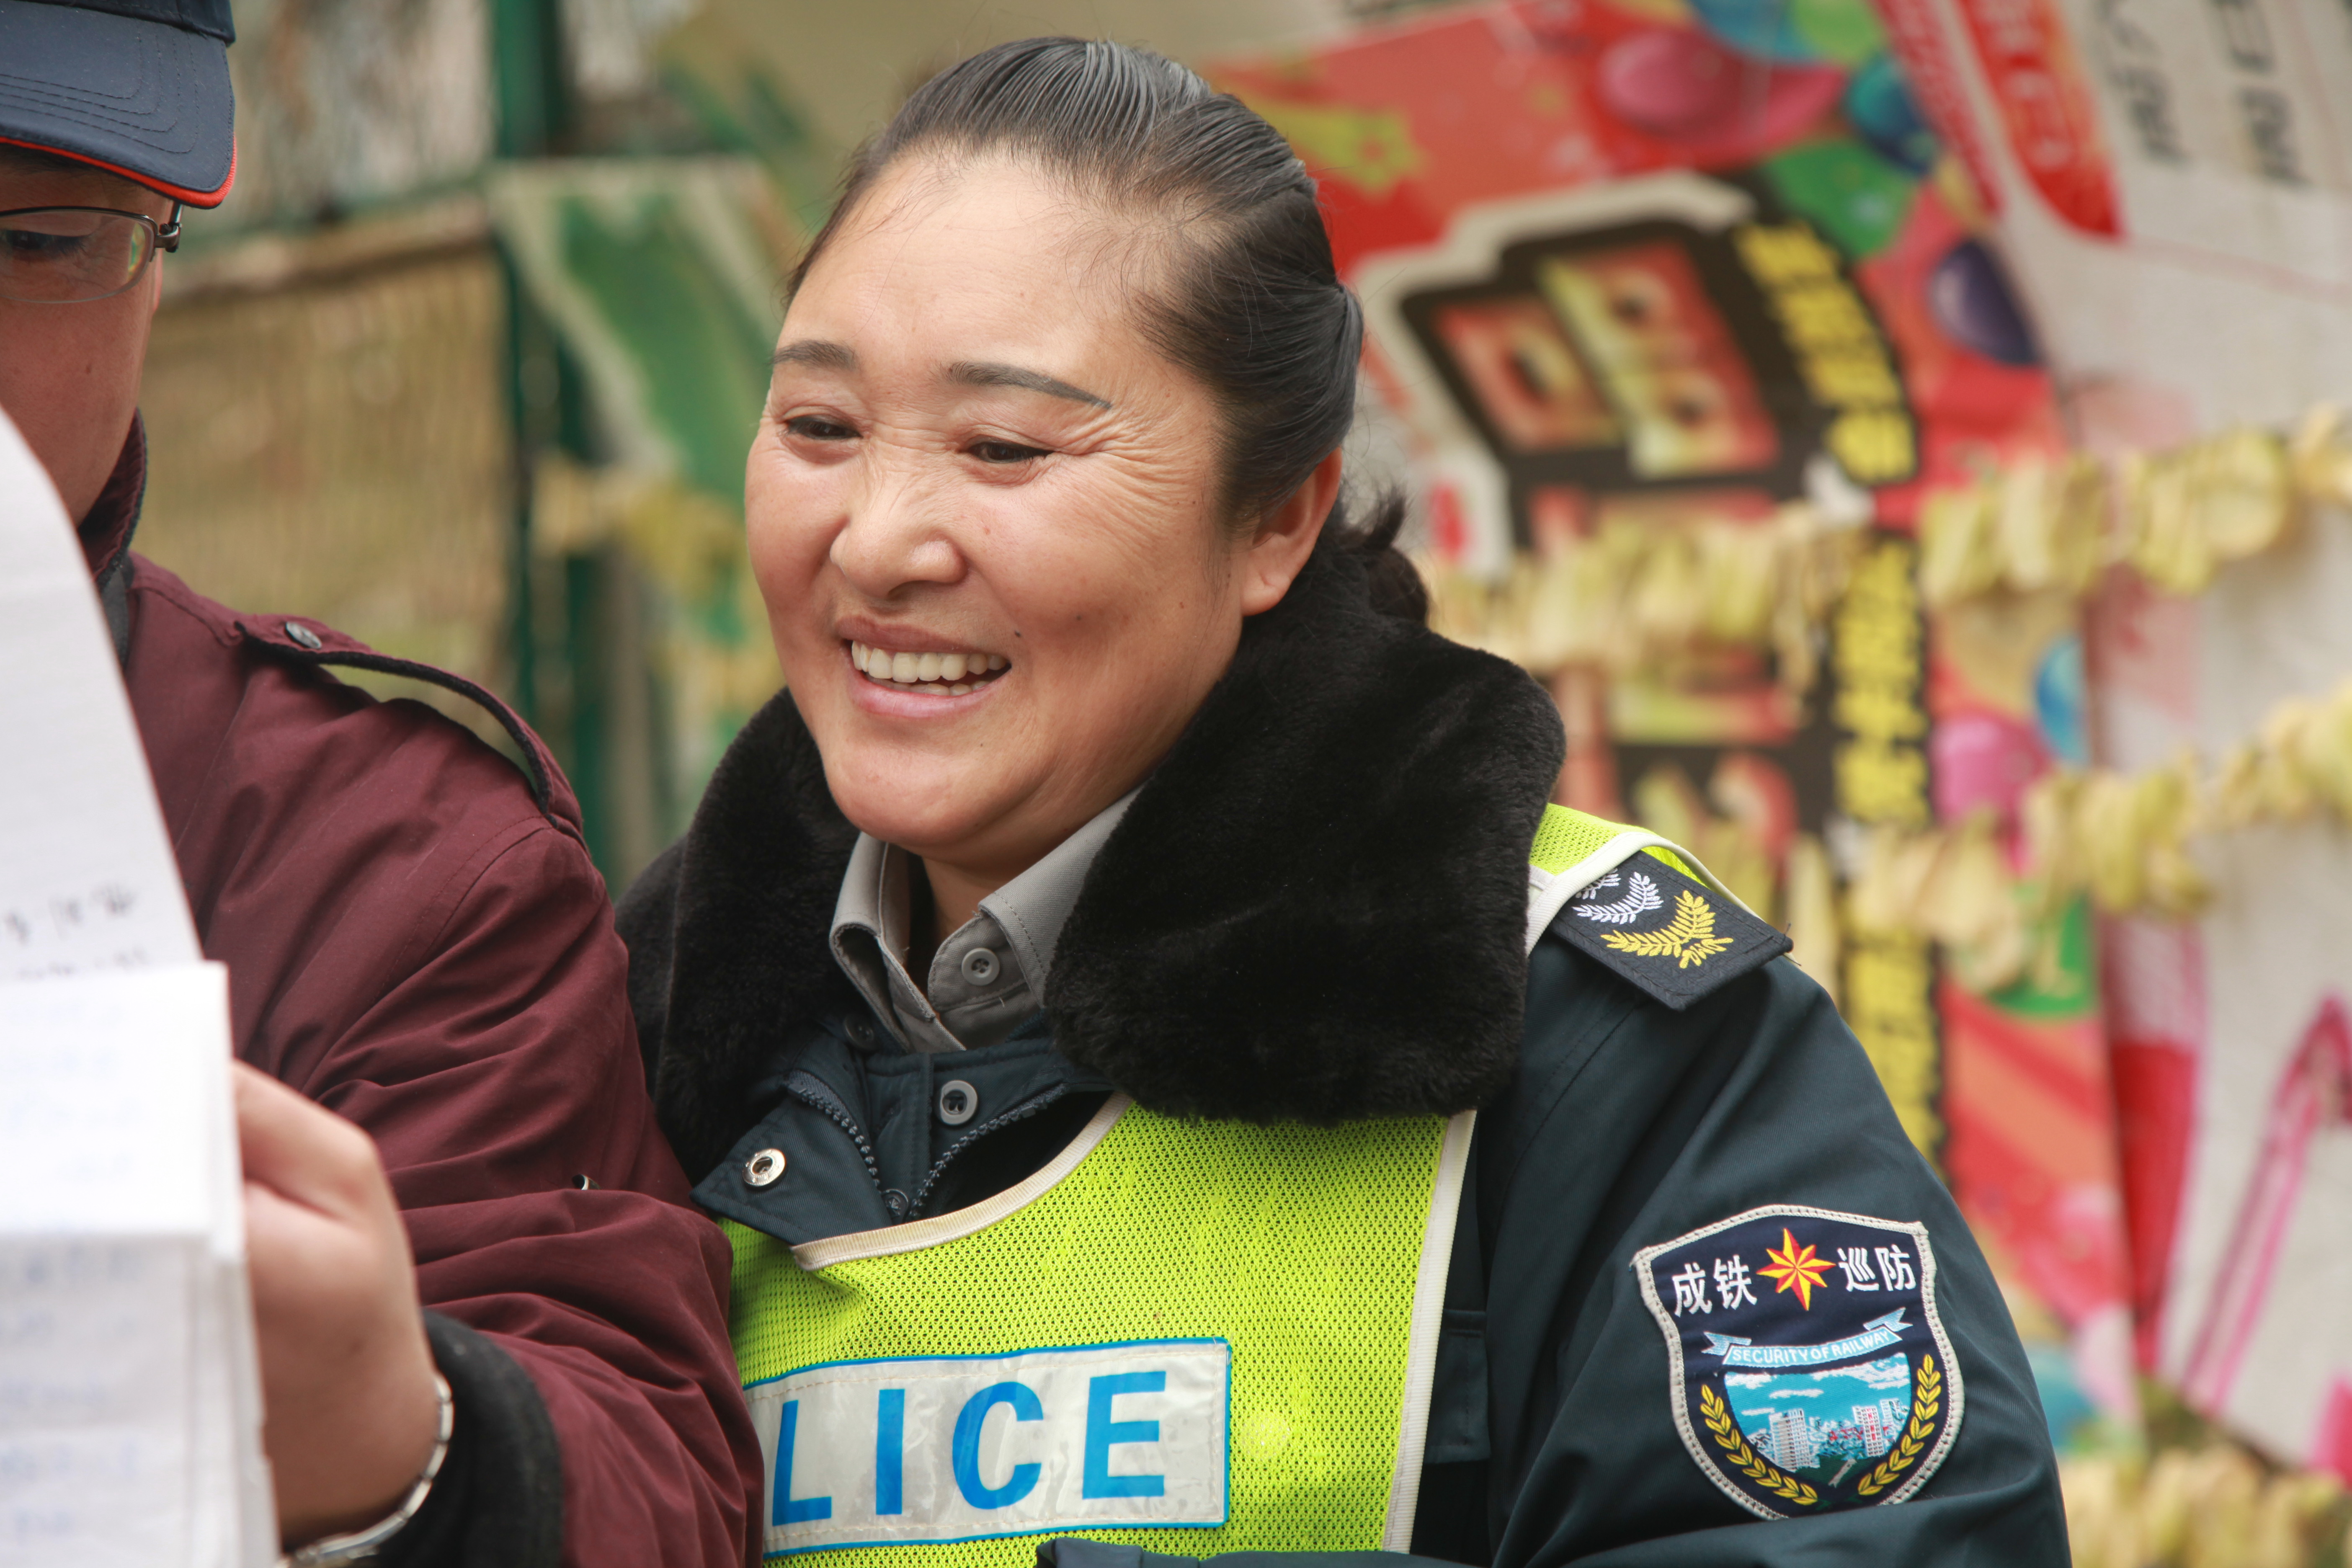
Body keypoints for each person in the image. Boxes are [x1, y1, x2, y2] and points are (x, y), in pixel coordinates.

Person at [618, 35, 2068, 1568]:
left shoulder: (1597, 1033)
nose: (878, 540)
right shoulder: (602, 1025)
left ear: (1276, 520)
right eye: (821, 429)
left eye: (1004, 446)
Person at [0, 2, 760, 1563]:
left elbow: (649, 1464)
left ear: (160, 262)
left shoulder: (394, 858)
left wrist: (407, 1447)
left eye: (39, 239)